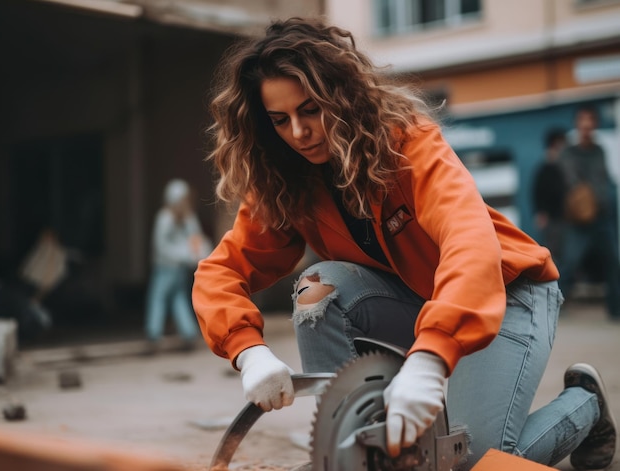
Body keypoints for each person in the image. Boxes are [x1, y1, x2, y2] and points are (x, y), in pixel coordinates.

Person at [192, 18, 617, 470]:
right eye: (280, 120)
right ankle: (354, 449)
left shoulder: (408, 144)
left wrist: (431, 358)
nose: (299, 132)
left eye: (311, 109)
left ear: (342, 96)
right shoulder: (286, 182)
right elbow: (220, 271)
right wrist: (248, 351)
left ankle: (583, 405)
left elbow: (469, 241)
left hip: (509, 291)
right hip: (423, 298)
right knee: (320, 286)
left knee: (470, 462)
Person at [557, 106, 620, 321]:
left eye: (590, 120)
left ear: (595, 124)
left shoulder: (599, 151)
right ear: (577, 124)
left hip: (601, 218)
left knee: (613, 260)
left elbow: (604, 181)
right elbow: (571, 181)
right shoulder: (569, 152)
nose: (586, 125)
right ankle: (554, 307)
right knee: (569, 262)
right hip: (580, 220)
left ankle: (615, 309)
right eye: (582, 120)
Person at [146, 179, 212, 352]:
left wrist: (193, 256)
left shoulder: (171, 218)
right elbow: (166, 244)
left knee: (161, 299)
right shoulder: (173, 218)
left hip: (167, 268)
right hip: (173, 266)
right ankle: (187, 332)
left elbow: (193, 240)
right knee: (178, 299)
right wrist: (189, 256)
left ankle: (154, 334)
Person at [532, 128, 567, 262]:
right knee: (553, 254)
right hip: (552, 221)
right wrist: (541, 214)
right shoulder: (545, 169)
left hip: (565, 218)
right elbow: (538, 193)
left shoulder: (563, 166)